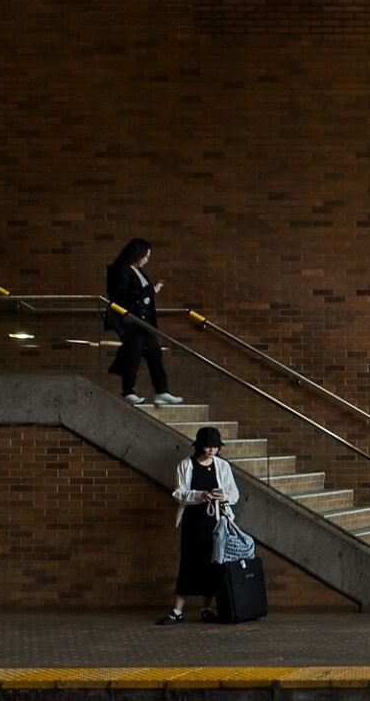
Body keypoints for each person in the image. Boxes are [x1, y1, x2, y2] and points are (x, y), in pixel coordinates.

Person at [159, 426, 238, 624]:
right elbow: (178, 493)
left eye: (215, 447)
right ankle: (177, 611)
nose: (212, 450)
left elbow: (234, 494)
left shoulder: (222, 466)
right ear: (200, 446)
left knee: (212, 564)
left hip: (215, 523)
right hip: (192, 521)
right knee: (188, 563)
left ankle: (206, 609)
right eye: (208, 446)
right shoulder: (186, 465)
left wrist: (223, 496)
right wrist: (200, 495)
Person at [105, 238, 183, 406]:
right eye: (145, 256)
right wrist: (151, 290)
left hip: (143, 321)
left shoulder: (139, 272)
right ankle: (128, 390)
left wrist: (150, 292)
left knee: (154, 353)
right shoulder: (122, 271)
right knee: (133, 354)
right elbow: (126, 295)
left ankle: (161, 391)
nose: (146, 260)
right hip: (132, 321)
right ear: (136, 254)